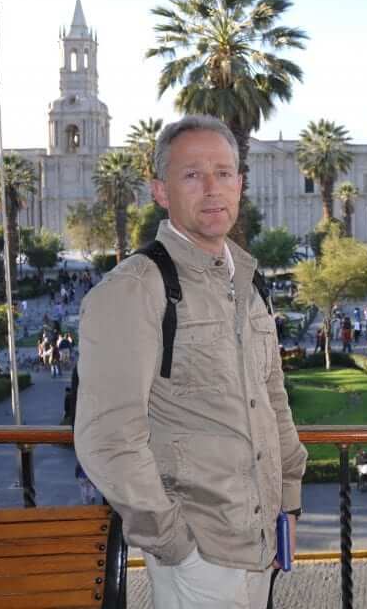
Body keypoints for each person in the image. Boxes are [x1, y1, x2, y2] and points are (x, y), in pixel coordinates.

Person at [74, 116, 307, 609]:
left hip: (262, 541)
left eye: (223, 173)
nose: (212, 189)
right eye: (192, 175)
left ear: (240, 184)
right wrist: (175, 544)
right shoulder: (135, 289)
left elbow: (272, 401)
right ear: (160, 190)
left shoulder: (248, 283)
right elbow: (108, 436)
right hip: (199, 556)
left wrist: (288, 501)